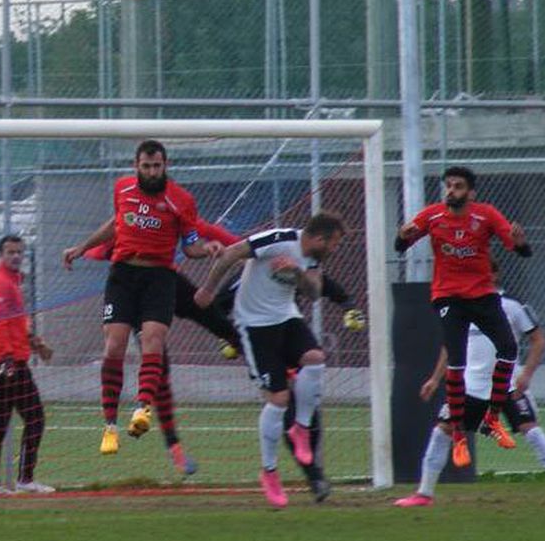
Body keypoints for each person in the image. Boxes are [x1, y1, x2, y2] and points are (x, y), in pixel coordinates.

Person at [62, 140, 220, 457]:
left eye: (156, 166)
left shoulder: (181, 200)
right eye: (146, 166)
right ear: (136, 166)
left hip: (159, 278)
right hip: (123, 275)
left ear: (165, 165)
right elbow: (116, 223)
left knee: (153, 339)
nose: (151, 172)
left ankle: (142, 408)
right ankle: (109, 426)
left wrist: (208, 248)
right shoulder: (122, 189)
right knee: (114, 345)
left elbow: (190, 246)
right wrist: (81, 247)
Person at [193, 212, 347, 508]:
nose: (334, 249)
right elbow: (232, 253)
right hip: (253, 326)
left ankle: (301, 429)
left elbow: (314, 292)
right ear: (319, 238)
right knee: (278, 398)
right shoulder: (278, 240)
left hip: (286, 318)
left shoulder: (312, 255)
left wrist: (297, 273)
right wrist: (209, 289)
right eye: (334, 244)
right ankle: (270, 472)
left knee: (315, 358)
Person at [396, 261, 545, 507]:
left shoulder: (511, 307)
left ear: (493, 275)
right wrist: (435, 379)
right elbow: (451, 347)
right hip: (469, 388)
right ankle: (424, 494)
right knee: (441, 432)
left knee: (532, 431)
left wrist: (526, 374)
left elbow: (538, 339)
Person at [395, 165, 533, 468]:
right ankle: (459, 435)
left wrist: (520, 242)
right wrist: (402, 236)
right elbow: (402, 244)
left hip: (482, 295)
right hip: (448, 296)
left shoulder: (486, 215)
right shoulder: (432, 215)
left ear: (470, 192)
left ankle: (493, 419)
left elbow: (520, 250)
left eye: (458, 186)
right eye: (448, 185)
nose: (451, 191)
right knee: (456, 361)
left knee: (508, 349)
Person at [0, 235, 54, 495]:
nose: (16, 256)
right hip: (6, 364)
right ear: (1, 255)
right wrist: (7, 360)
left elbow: (16, 324)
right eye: (10, 252)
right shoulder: (1, 284)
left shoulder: (13, 283)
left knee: (1, 422)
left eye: (19, 252)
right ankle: (18, 479)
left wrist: (35, 343)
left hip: (7, 360)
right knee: (33, 417)